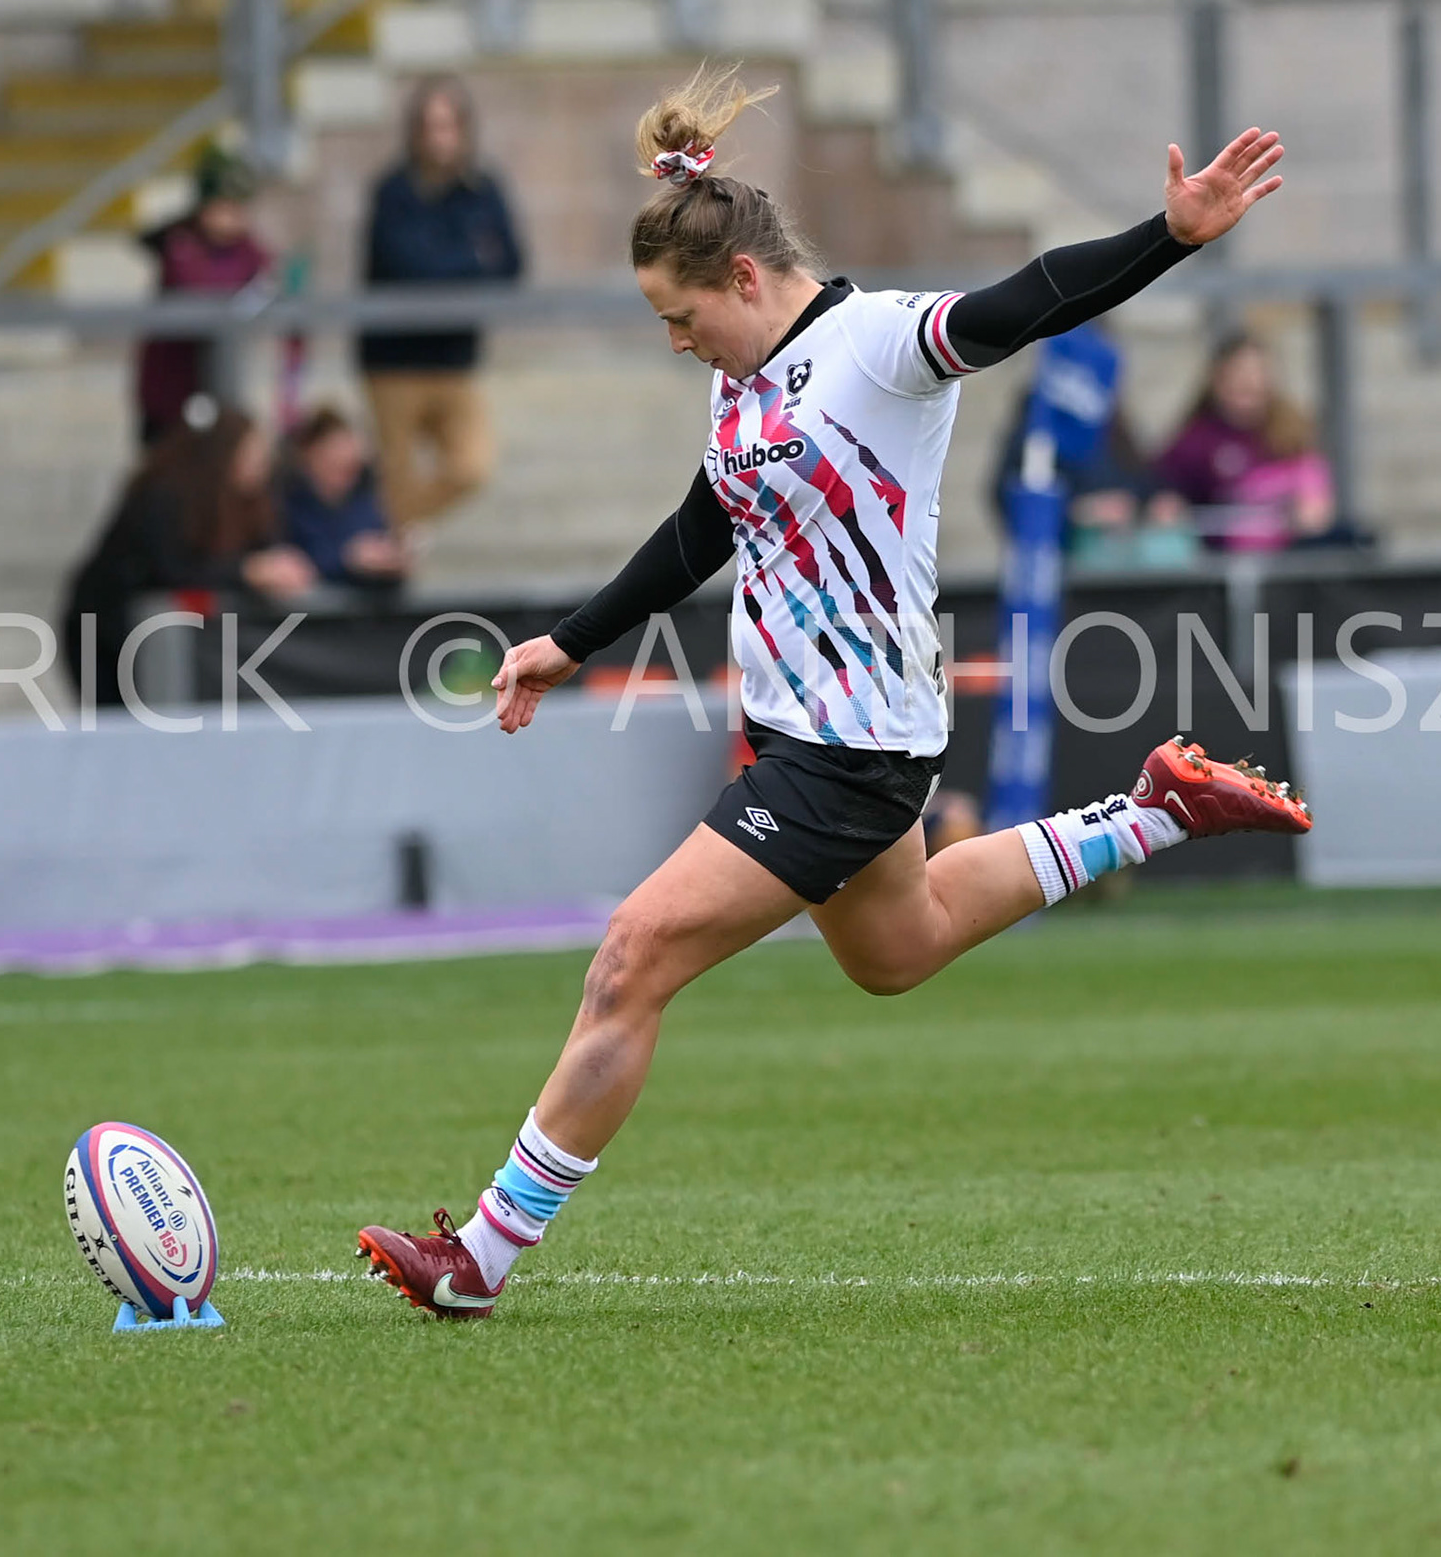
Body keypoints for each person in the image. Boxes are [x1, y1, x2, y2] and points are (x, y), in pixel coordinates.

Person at [356, 68, 1314, 1321]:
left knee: (632, 956)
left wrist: (1169, 237)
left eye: (682, 316)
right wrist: (572, 641)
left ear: (745, 277)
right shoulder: (743, 377)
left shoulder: (880, 347)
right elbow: (705, 524)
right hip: (809, 733)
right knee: (896, 949)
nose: (677, 341)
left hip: (847, 749)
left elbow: (1031, 297)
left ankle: (479, 1257)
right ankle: (1153, 810)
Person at [63, 397, 314, 707]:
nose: (262, 463)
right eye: (251, 453)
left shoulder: (251, 503)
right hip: (106, 634)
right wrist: (248, 571)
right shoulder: (165, 497)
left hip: (171, 642)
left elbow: (261, 550)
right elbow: (173, 569)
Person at [358, 76, 523, 530]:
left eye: (448, 126)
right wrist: (471, 261)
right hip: (394, 361)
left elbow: (510, 263)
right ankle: (387, 544)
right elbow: (406, 268)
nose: (440, 138)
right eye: (431, 126)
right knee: (396, 475)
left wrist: (444, 265)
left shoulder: (481, 189)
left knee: (471, 466)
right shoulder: (393, 191)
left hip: (454, 358)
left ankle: (381, 531)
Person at [134, 145, 272, 445]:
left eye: (239, 208)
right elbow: (202, 289)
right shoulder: (181, 245)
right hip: (170, 391)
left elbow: (264, 273)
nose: (235, 218)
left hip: (215, 387)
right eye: (226, 208)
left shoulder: (244, 247)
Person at [1154, 332, 1335, 552]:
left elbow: (1316, 505)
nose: (1247, 382)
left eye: (1256, 373)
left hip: (1287, 557)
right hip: (1222, 559)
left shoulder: (1291, 434)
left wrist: (1309, 510)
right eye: (1238, 373)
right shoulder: (1195, 440)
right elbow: (1165, 494)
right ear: (1218, 379)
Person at [277, 406, 408, 589]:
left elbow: (384, 546)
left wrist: (391, 559)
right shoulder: (288, 506)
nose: (346, 455)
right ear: (310, 454)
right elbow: (297, 561)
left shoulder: (364, 501)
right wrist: (349, 559)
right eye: (335, 449)